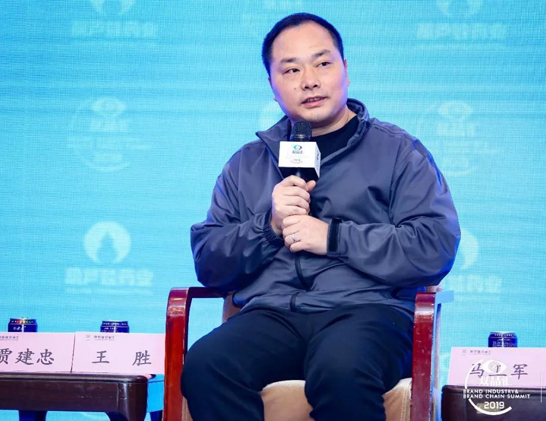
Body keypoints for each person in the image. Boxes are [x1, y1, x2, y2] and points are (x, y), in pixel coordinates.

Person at [182, 12, 460, 421]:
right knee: (207, 365)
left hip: (369, 313)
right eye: (291, 70)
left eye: (322, 63)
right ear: (272, 85)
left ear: (345, 69)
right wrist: (269, 227)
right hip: (273, 316)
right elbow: (210, 263)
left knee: (340, 369)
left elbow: (434, 245)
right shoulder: (247, 164)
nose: (309, 80)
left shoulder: (398, 151)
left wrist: (332, 238)